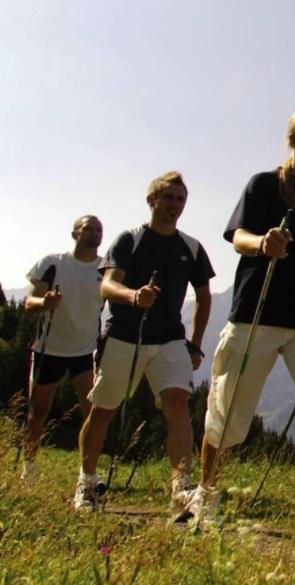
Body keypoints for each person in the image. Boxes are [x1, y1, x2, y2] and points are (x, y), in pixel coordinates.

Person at [184, 107, 295, 558]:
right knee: (229, 412)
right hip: (257, 314)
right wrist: (262, 243)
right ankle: (206, 495)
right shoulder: (265, 185)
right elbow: (237, 235)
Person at [73, 171, 214, 513]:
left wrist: (194, 344)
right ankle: (87, 483)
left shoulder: (191, 247)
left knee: (178, 405)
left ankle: (180, 487)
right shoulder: (130, 240)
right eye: (168, 198)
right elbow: (107, 285)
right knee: (103, 411)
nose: (175, 206)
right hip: (123, 335)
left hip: (169, 340)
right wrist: (134, 297)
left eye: (180, 199)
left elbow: (204, 296)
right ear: (151, 201)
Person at [21, 215, 104, 481]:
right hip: (49, 348)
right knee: (39, 411)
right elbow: (29, 302)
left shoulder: (106, 269)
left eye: (99, 229)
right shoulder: (53, 263)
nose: (94, 233)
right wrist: (45, 302)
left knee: (92, 411)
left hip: (86, 350)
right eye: (88, 228)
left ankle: (87, 474)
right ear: (75, 234)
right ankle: (29, 468)